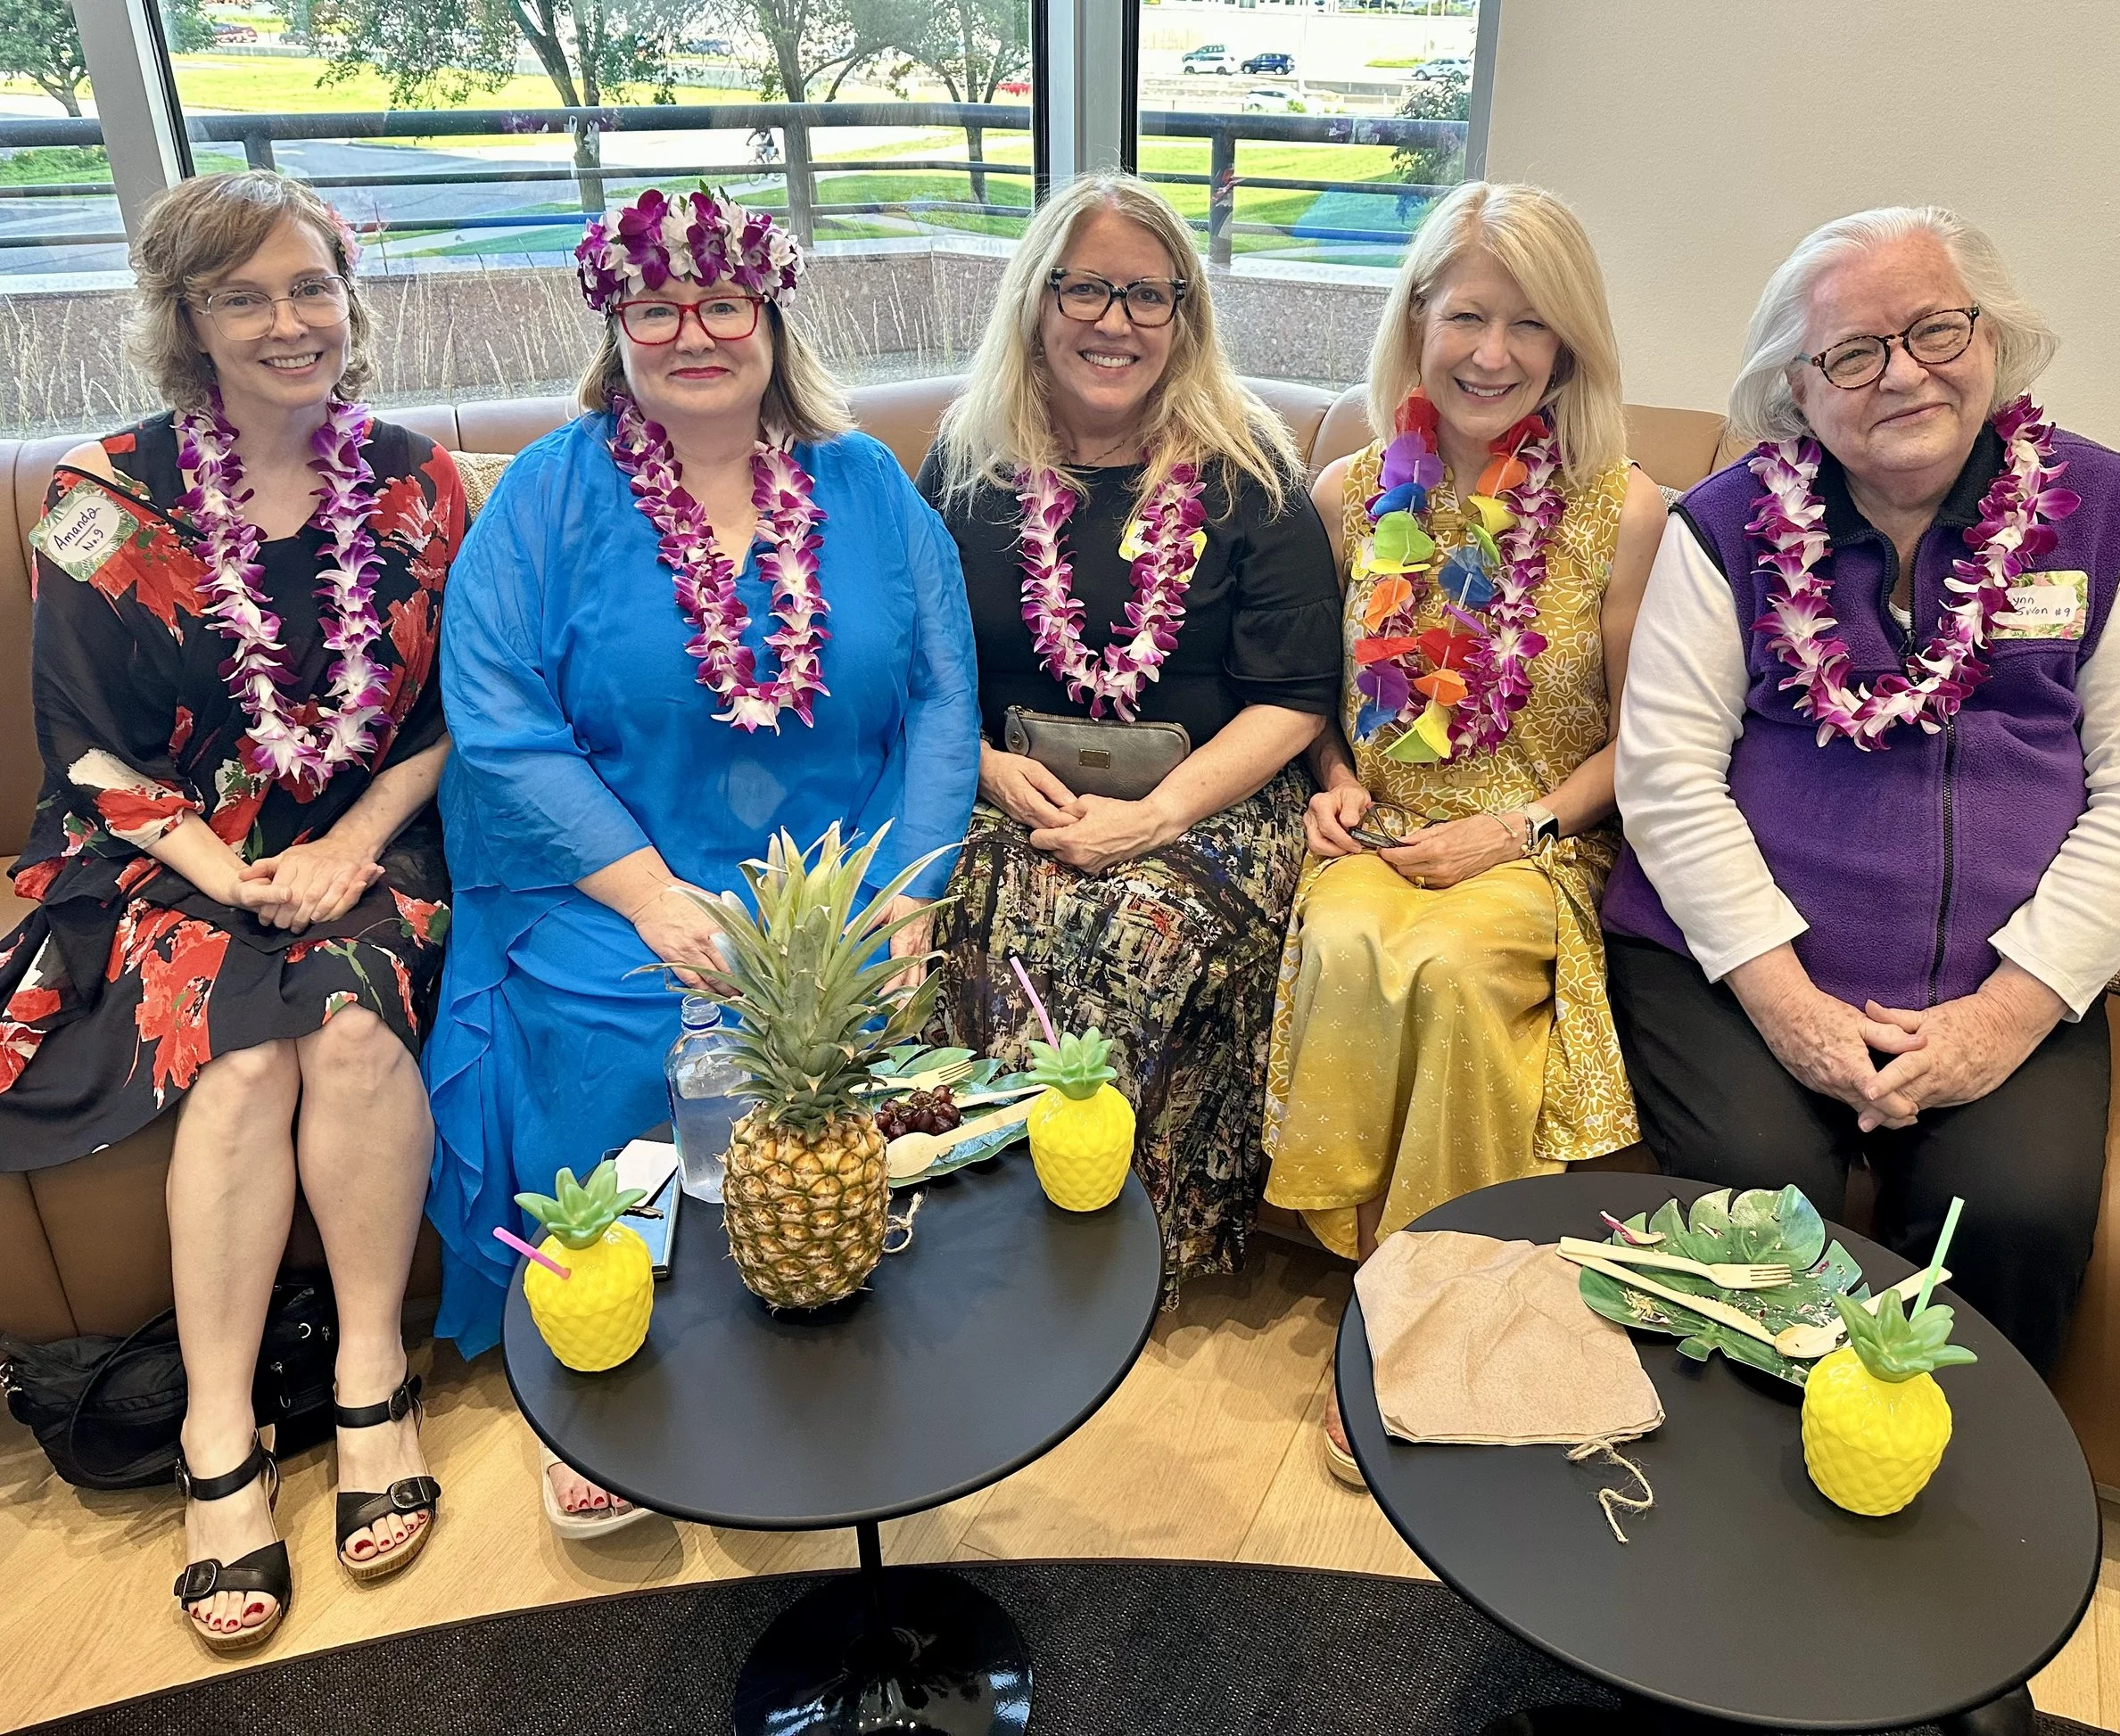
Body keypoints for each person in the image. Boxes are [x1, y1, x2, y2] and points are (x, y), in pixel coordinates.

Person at [424, 189, 978, 1532]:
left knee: (852, 1041)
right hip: (617, 874)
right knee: (618, 1020)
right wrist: (651, 892)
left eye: (723, 305)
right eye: (657, 308)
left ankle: (834, 1332)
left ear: (773, 321)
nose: (694, 334)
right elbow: (499, 717)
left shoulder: (865, 486)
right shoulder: (549, 493)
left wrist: (907, 896)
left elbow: (940, 700)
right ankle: (612, 1359)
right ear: (615, 326)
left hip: (837, 877)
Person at [1602, 205, 2120, 1374]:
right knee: (1754, 1200)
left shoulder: (2119, 517)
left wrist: (2000, 1019)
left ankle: (1946, 1500)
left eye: (1936, 330)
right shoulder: (1722, 526)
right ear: (1801, 385)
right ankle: (1743, 1492)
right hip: (1736, 969)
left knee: (2014, 1211)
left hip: (2010, 971)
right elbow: (1669, 778)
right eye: (1855, 352)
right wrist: (1792, 1008)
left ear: (1992, 337)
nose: (1905, 374)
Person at [0, 171, 463, 1646]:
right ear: (187, 319)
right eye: (242, 295)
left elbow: (463, 715)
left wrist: (356, 843)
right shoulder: (100, 498)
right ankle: (220, 1440)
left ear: (349, 299)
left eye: (310, 287)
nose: (287, 322)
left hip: (373, 843)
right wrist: (229, 873)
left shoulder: (420, 486)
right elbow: (80, 739)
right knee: (239, 1047)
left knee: (346, 1020)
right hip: (165, 850)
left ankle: (372, 1383)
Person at [1258, 182, 1666, 1481]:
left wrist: (1522, 826)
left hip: (1539, 834)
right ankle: (1385, 1285)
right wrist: (1327, 772)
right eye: (1467, 315)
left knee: (1441, 963)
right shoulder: (1348, 492)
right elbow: (1314, 693)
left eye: (1530, 325)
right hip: (1378, 828)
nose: (1494, 353)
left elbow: (1644, 740)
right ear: (1417, 319)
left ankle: (1437, 1319)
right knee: (1358, 940)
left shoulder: (1623, 506)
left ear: (1569, 346)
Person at [920, 173, 1341, 1281]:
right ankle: (958, 1234)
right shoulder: (965, 465)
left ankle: (1098, 1257)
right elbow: (914, 676)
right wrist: (985, 768)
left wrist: (1155, 815)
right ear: (1035, 302)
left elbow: (1294, 697)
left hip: (1211, 806)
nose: (1114, 322)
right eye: (1086, 290)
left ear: (1184, 319)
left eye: (1149, 297)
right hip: (1007, 790)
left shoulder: (1250, 470)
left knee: (1123, 922)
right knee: (941, 906)